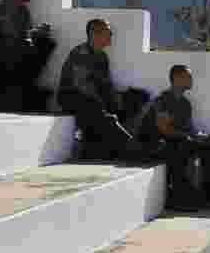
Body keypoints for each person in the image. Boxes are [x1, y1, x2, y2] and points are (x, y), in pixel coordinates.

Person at [133, 64, 210, 211]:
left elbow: (187, 129)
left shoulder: (185, 104)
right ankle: (178, 197)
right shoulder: (162, 101)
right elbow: (164, 129)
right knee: (182, 145)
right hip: (155, 144)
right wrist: (189, 136)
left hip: (176, 140)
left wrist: (199, 136)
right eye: (188, 77)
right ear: (176, 79)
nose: (191, 80)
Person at [57, 19, 151, 161]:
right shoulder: (81, 53)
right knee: (97, 109)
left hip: (95, 98)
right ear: (94, 34)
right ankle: (132, 147)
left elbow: (106, 85)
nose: (111, 36)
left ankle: (113, 144)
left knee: (136, 98)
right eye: (108, 33)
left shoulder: (102, 57)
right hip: (73, 97)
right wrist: (105, 105)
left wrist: (117, 99)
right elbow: (82, 86)